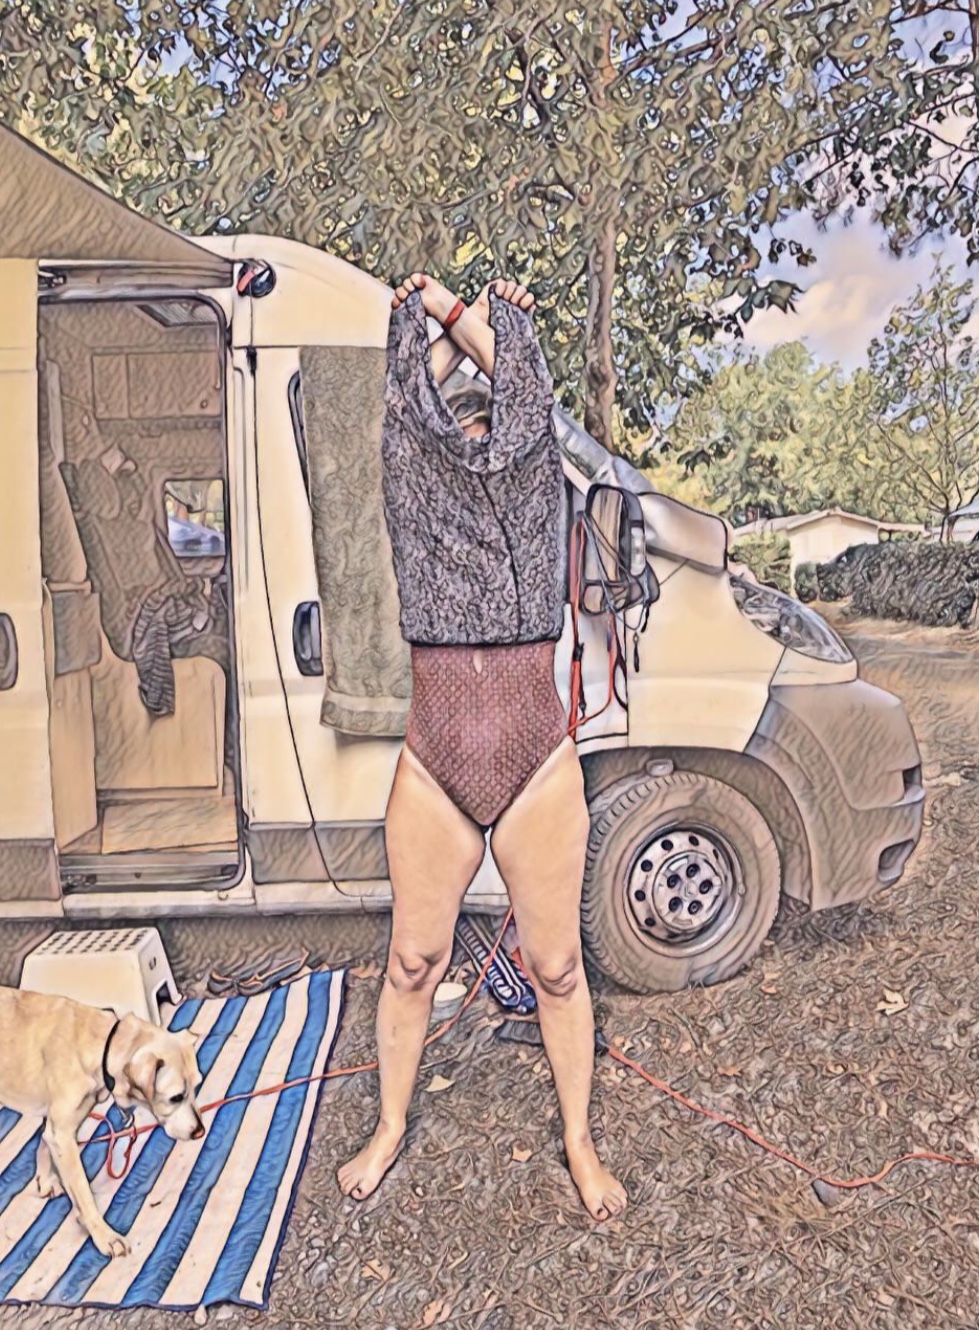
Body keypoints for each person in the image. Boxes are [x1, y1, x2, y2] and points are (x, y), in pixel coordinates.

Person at [337, 272, 627, 1222]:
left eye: (485, 425)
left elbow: (526, 404)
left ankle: (578, 1142)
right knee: (411, 963)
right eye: (458, 426)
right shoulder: (412, 488)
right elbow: (405, 408)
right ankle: (388, 1126)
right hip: (436, 766)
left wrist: (463, 316)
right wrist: (428, 323)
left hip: (536, 762)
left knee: (557, 968)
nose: (474, 442)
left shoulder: (535, 478)